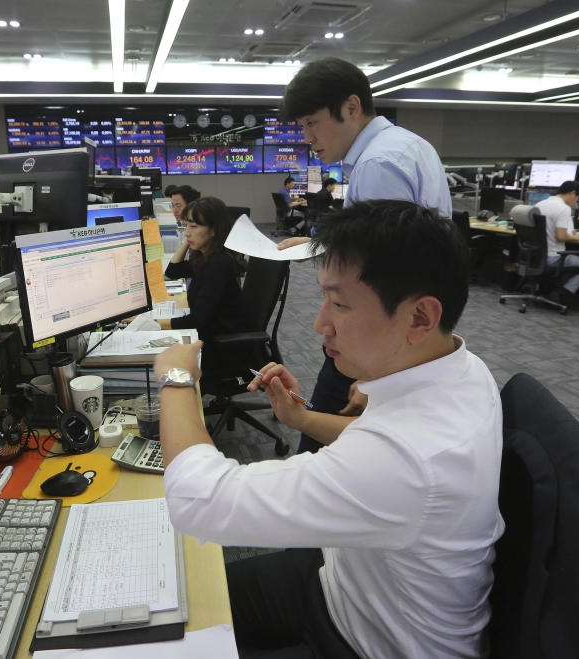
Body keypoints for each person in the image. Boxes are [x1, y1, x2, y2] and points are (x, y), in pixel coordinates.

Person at [154, 200, 504, 658]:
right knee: (178, 609)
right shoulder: (461, 367)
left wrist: (176, 377)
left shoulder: (410, 457)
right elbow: (377, 445)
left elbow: (198, 500)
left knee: (169, 632)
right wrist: (300, 419)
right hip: (346, 581)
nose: (321, 323)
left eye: (339, 303)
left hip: (368, 642)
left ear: (420, 317)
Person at [275, 57, 452, 453]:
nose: (308, 137)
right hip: (405, 328)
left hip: (378, 337)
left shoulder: (377, 164)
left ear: (351, 108)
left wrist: (373, 376)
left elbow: (379, 273)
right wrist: (314, 246)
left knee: (327, 456)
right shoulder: (407, 145)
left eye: (311, 122)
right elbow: (392, 242)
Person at [161, 196, 252, 371]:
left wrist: (156, 323)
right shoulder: (205, 256)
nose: (187, 231)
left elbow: (196, 320)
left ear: (214, 230)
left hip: (218, 348)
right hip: (209, 335)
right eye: (186, 225)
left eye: (194, 226)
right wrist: (188, 241)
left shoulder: (219, 263)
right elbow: (173, 272)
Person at [534, 180, 579, 304]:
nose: (576, 201)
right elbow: (560, 237)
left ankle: (553, 289)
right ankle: (562, 292)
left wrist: (570, 234)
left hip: (536, 255)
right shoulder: (563, 208)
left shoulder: (540, 204)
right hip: (553, 257)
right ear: (572, 193)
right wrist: (577, 237)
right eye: (578, 198)